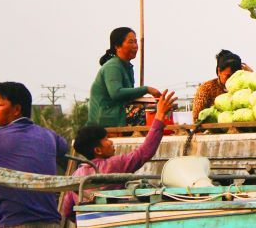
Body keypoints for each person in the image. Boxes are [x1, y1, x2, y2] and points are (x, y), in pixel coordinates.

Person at [61, 90, 176, 222]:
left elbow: (67, 210)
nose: (111, 142)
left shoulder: (77, 175)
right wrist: (160, 115)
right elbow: (143, 153)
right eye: (106, 139)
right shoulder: (113, 165)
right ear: (98, 150)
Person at [0, 82, 68, 228]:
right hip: (52, 222)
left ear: (16, 109)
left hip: (15, 222)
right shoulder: (49, 135)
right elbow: (63, 147)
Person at [88, 27, 162, 127]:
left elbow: (128, 96)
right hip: (108, 117)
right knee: (151, 114)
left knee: (158, 108)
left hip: (120, 112)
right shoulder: (112, 66)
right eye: (131, 42)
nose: (135, 46)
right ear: (117, 47)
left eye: (136, 42)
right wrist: (147, 89)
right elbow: (116, 93)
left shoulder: (127, 66)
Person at [192, 50, 245, 121]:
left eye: (235, 76)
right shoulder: (206, 89)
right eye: (228, 76)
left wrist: (251, 75)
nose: (231, 80)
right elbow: (196, 118)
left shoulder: (244, 88)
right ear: (219, 71)